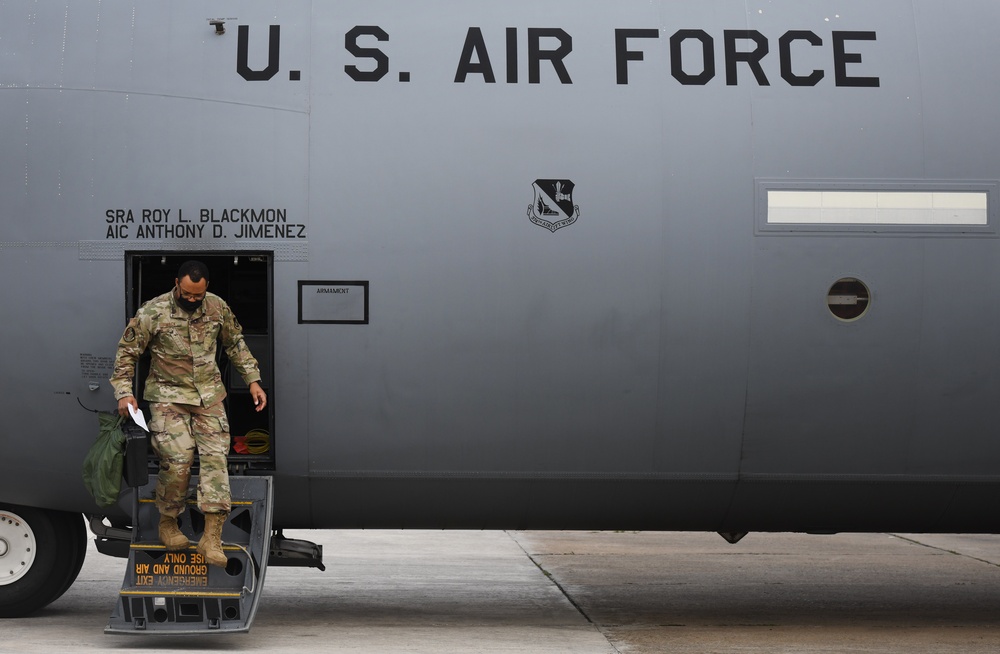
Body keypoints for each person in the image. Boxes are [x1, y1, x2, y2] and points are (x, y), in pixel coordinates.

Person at [110, 260, 267, 567]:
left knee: (215, 458)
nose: (193, 300)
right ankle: (168, 522)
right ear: (176, 283)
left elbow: (235, 344)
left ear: (206, 288)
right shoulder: (153, 312)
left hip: (208, 396)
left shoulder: (217, 308)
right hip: (168, 396)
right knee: (178, 459)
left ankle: (211, 537)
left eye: (198, 295)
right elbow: (127, 353)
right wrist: (124, 392)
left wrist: (253, 380)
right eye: (188, 294)